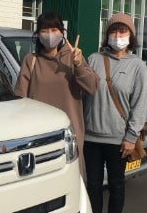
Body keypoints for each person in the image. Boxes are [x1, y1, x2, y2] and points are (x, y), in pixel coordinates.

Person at [83, 13, 147, 213]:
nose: (117, 36)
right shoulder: (94, 58)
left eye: (123, 32)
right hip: (91, 135)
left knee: (117, 186)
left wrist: (131, 137)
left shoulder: (138, 66)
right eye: (113, 32)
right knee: (93, 185)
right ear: (107, 34)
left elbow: (139, 105)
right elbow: (82, 90)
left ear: (131, 36)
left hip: (119, 139)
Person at [14, 12, 99, 177]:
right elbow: (20, 99)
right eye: (44, 30)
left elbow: (92, 87)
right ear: (38, 35)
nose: (49, 34)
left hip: (69, 134)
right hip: (38, 134)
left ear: (62, 33)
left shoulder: (73, 58)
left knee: (71, 181)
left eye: (54, 29)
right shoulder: (31, 60)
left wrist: (79, 64)